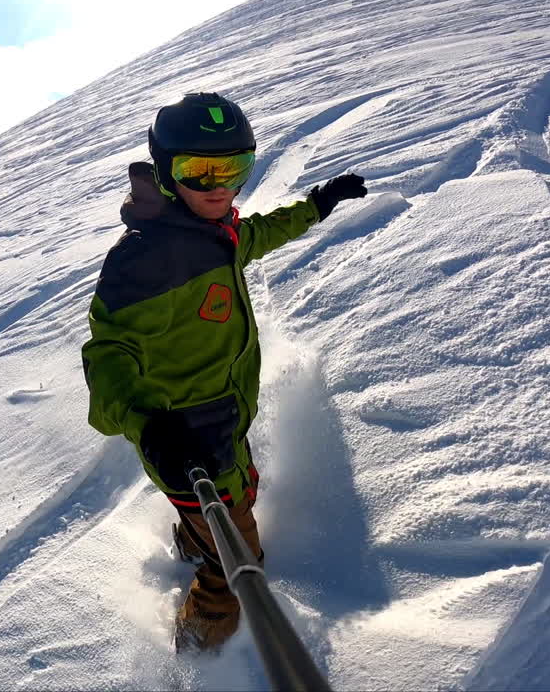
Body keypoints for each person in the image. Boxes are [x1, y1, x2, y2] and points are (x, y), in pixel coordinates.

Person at [80, 92, 367, 653]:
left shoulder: (217, 233)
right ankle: (202, 646)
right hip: (182, 442)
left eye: (234, 169)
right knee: (238, 563)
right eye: (199, 171)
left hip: (224, 419)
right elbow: (107, 354)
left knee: (237, 496)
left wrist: (317, 205)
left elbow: (256, 235)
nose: (219, 187)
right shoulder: (144, 259)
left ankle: (194, 541)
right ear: (166, 173)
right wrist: (148, 425)